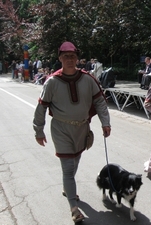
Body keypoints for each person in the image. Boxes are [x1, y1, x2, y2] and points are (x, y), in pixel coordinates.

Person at [33, 41, 111, 223]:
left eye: (73, 56)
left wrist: (105, 123)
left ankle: (67, 187)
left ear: (77, 59)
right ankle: (74, 208)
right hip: (61, 129)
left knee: (75, 161)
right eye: (66, 57)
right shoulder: (52, 81)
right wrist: (38, 130)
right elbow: (41, 107)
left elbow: (100, 102)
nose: (69, 60)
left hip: (82, 128)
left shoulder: (87, 79)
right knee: (68, 168)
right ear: (60, 59)